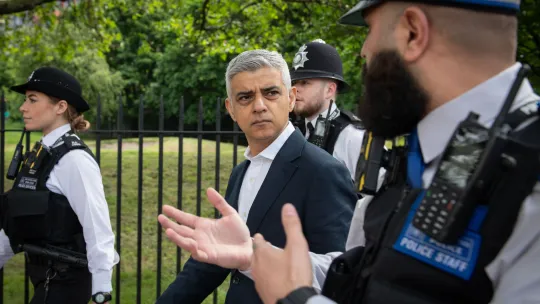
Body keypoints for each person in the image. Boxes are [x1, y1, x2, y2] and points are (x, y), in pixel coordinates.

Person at [246, 1, 540, 304]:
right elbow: (364, 276)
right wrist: (252, 255)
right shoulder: (418, 153)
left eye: (371, 29)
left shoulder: (530, 180)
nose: (364, 50)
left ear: (413, 32)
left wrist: (296, 300)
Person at [156, 50, 357, 304]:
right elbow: (215, 260)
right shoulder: (241, 172)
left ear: (291, 98)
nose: (259, 105)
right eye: (245, 97)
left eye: (271, 92)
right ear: (231, 108)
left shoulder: (324, 172)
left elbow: (340, 275)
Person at [0, 67, 119, 304]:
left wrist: (102, 293)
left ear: (61, 107)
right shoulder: (43, 153)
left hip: (67, 283)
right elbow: (19, 221)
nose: (23, 107)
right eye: (25, 100)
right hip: (46, 279)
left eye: (33, 100)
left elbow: (98, 229)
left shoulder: (74, 159)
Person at [290, 39, 365, 182]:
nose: (295, 89)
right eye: (294, 82)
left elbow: (376, 196)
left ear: (329, 90)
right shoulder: (294, 132)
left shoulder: (353, 138)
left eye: (305, 82)